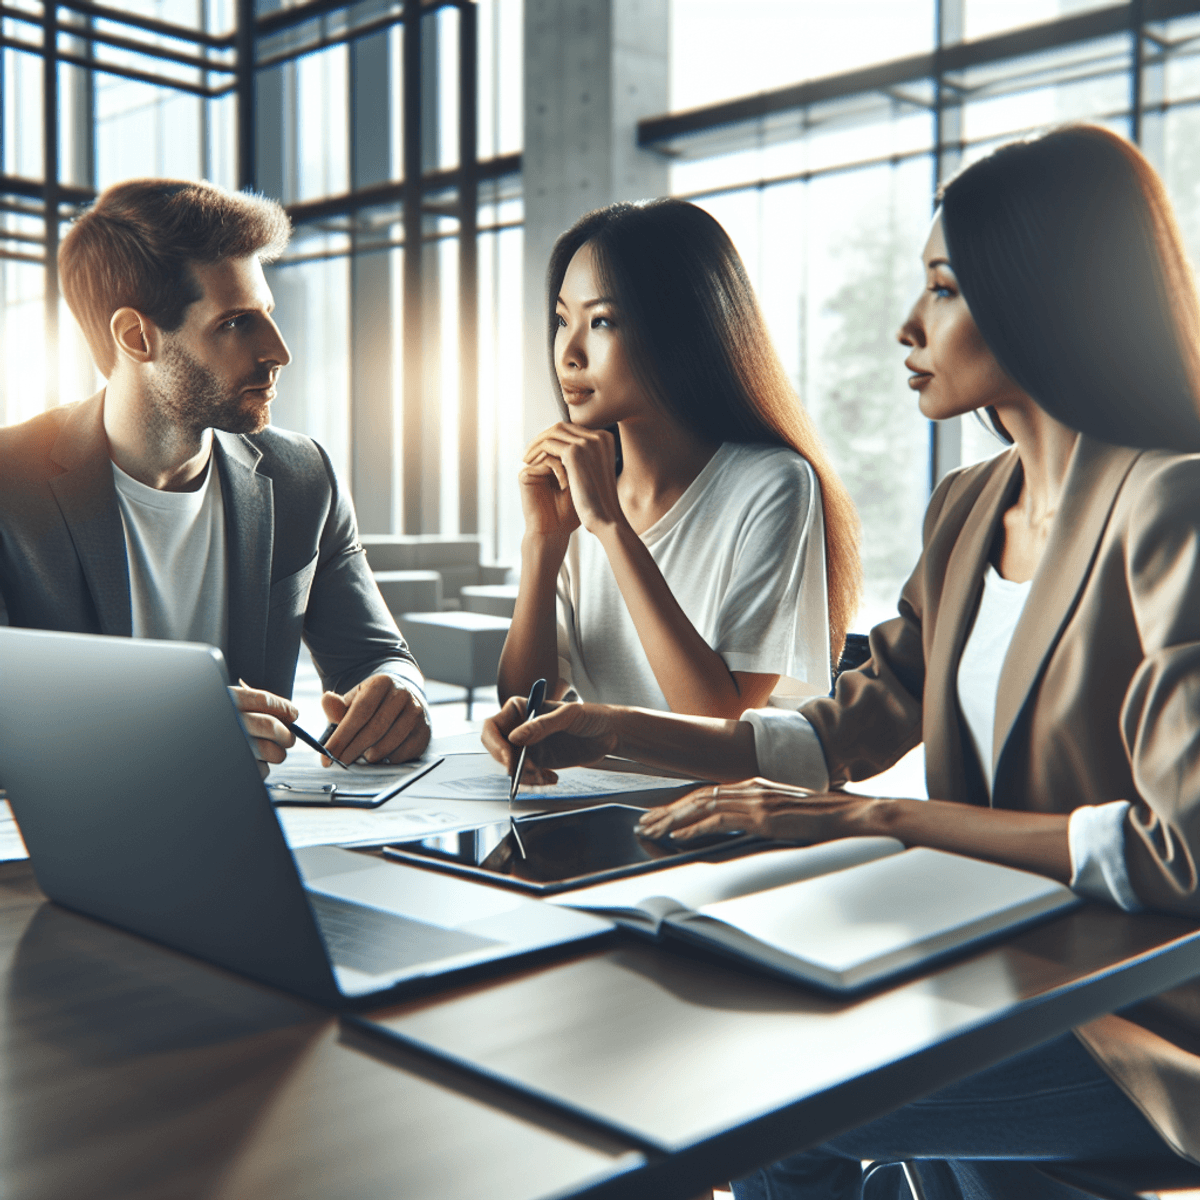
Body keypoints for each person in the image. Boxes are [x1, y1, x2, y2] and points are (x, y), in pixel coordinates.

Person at [483, 124, 1200, 1196]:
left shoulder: (1170, 502)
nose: (909, 325)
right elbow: (854, 722)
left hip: (1136, 1020)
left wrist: (878, 818)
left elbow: (1180, 854)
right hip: (992, 962)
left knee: (759, 1088)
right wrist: (617, 730)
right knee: (713, 1009)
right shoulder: (970, 508)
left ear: (1045, 299)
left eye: (946, 290)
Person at [0, 178, 430, 768]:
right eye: (235, 323)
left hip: (257, 834)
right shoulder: (9, 485)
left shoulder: (305, 478)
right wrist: (167, 729)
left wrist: (399, 694)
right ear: (136, 336)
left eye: (268, 316)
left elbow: (376, 657)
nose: (278, 350)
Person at [497, 198, 860, 718]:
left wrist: (610, 527)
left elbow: (714, 715)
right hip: (600, 796)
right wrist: (544, 543)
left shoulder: (774, 483)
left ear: (683, 329)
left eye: (602, 322)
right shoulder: (577, 493)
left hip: (720, 799)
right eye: (561, 319)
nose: (569, 353)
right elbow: (524, 704)